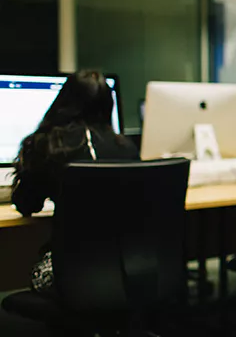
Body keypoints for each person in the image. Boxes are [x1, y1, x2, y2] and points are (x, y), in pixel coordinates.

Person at [11, 71, 140, 290]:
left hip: (70, 274)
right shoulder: (125, 147)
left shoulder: (48, 144)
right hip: (128, 269)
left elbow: (27, 204)